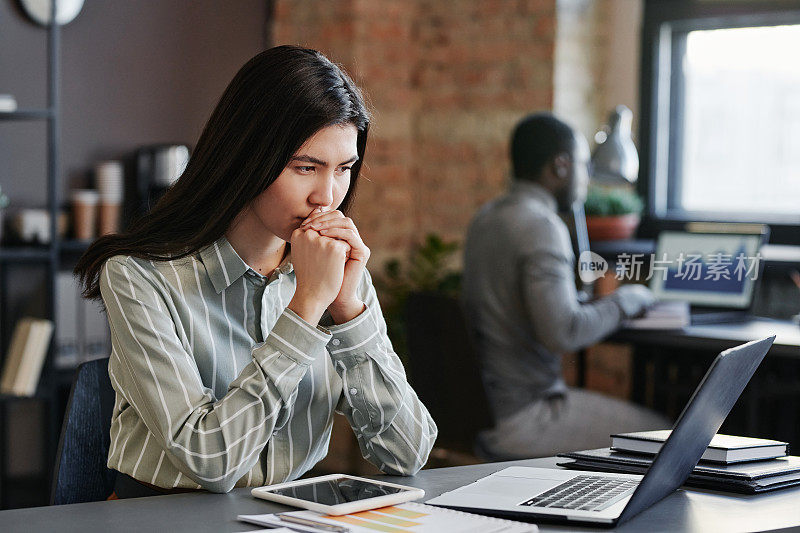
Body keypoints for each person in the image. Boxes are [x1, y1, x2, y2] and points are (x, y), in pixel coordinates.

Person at [74, 45, 437, 496]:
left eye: (344, 169)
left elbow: (408, 453)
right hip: (164, 516)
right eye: (305, 168)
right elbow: (211, 462)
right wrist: (305, 311)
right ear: (249, 157)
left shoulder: (337, 273)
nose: (327, 197)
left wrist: (347, 311)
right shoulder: (138, 277)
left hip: (292, 516)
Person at [462, 113, 667, 460]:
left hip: (480, 410)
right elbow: (564, 333)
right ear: (560, 166)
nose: (587, 178)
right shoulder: (541, 226)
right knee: (668, 435)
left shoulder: (485, 218)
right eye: (583, 165)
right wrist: (628, 299)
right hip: (527, 416)